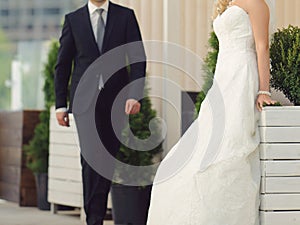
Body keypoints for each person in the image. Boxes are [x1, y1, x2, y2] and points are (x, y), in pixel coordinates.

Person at [147, 0, 275, 224]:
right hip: (223, 79)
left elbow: (262, 46)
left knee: (230, 146)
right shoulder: (227, 3)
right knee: (185, 159)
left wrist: (263, 90)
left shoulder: (257, 3)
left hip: (242, 75)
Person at [54, 0, 146, 225]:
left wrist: (134, 94)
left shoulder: (125, 16)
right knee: (90, 158)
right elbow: (63, 65)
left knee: (106, 160)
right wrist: (60, 104)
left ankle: (96, 214)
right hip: (85, 102)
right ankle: (93, 219)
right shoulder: (73, 20)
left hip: (116, 102)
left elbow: (137, 59)